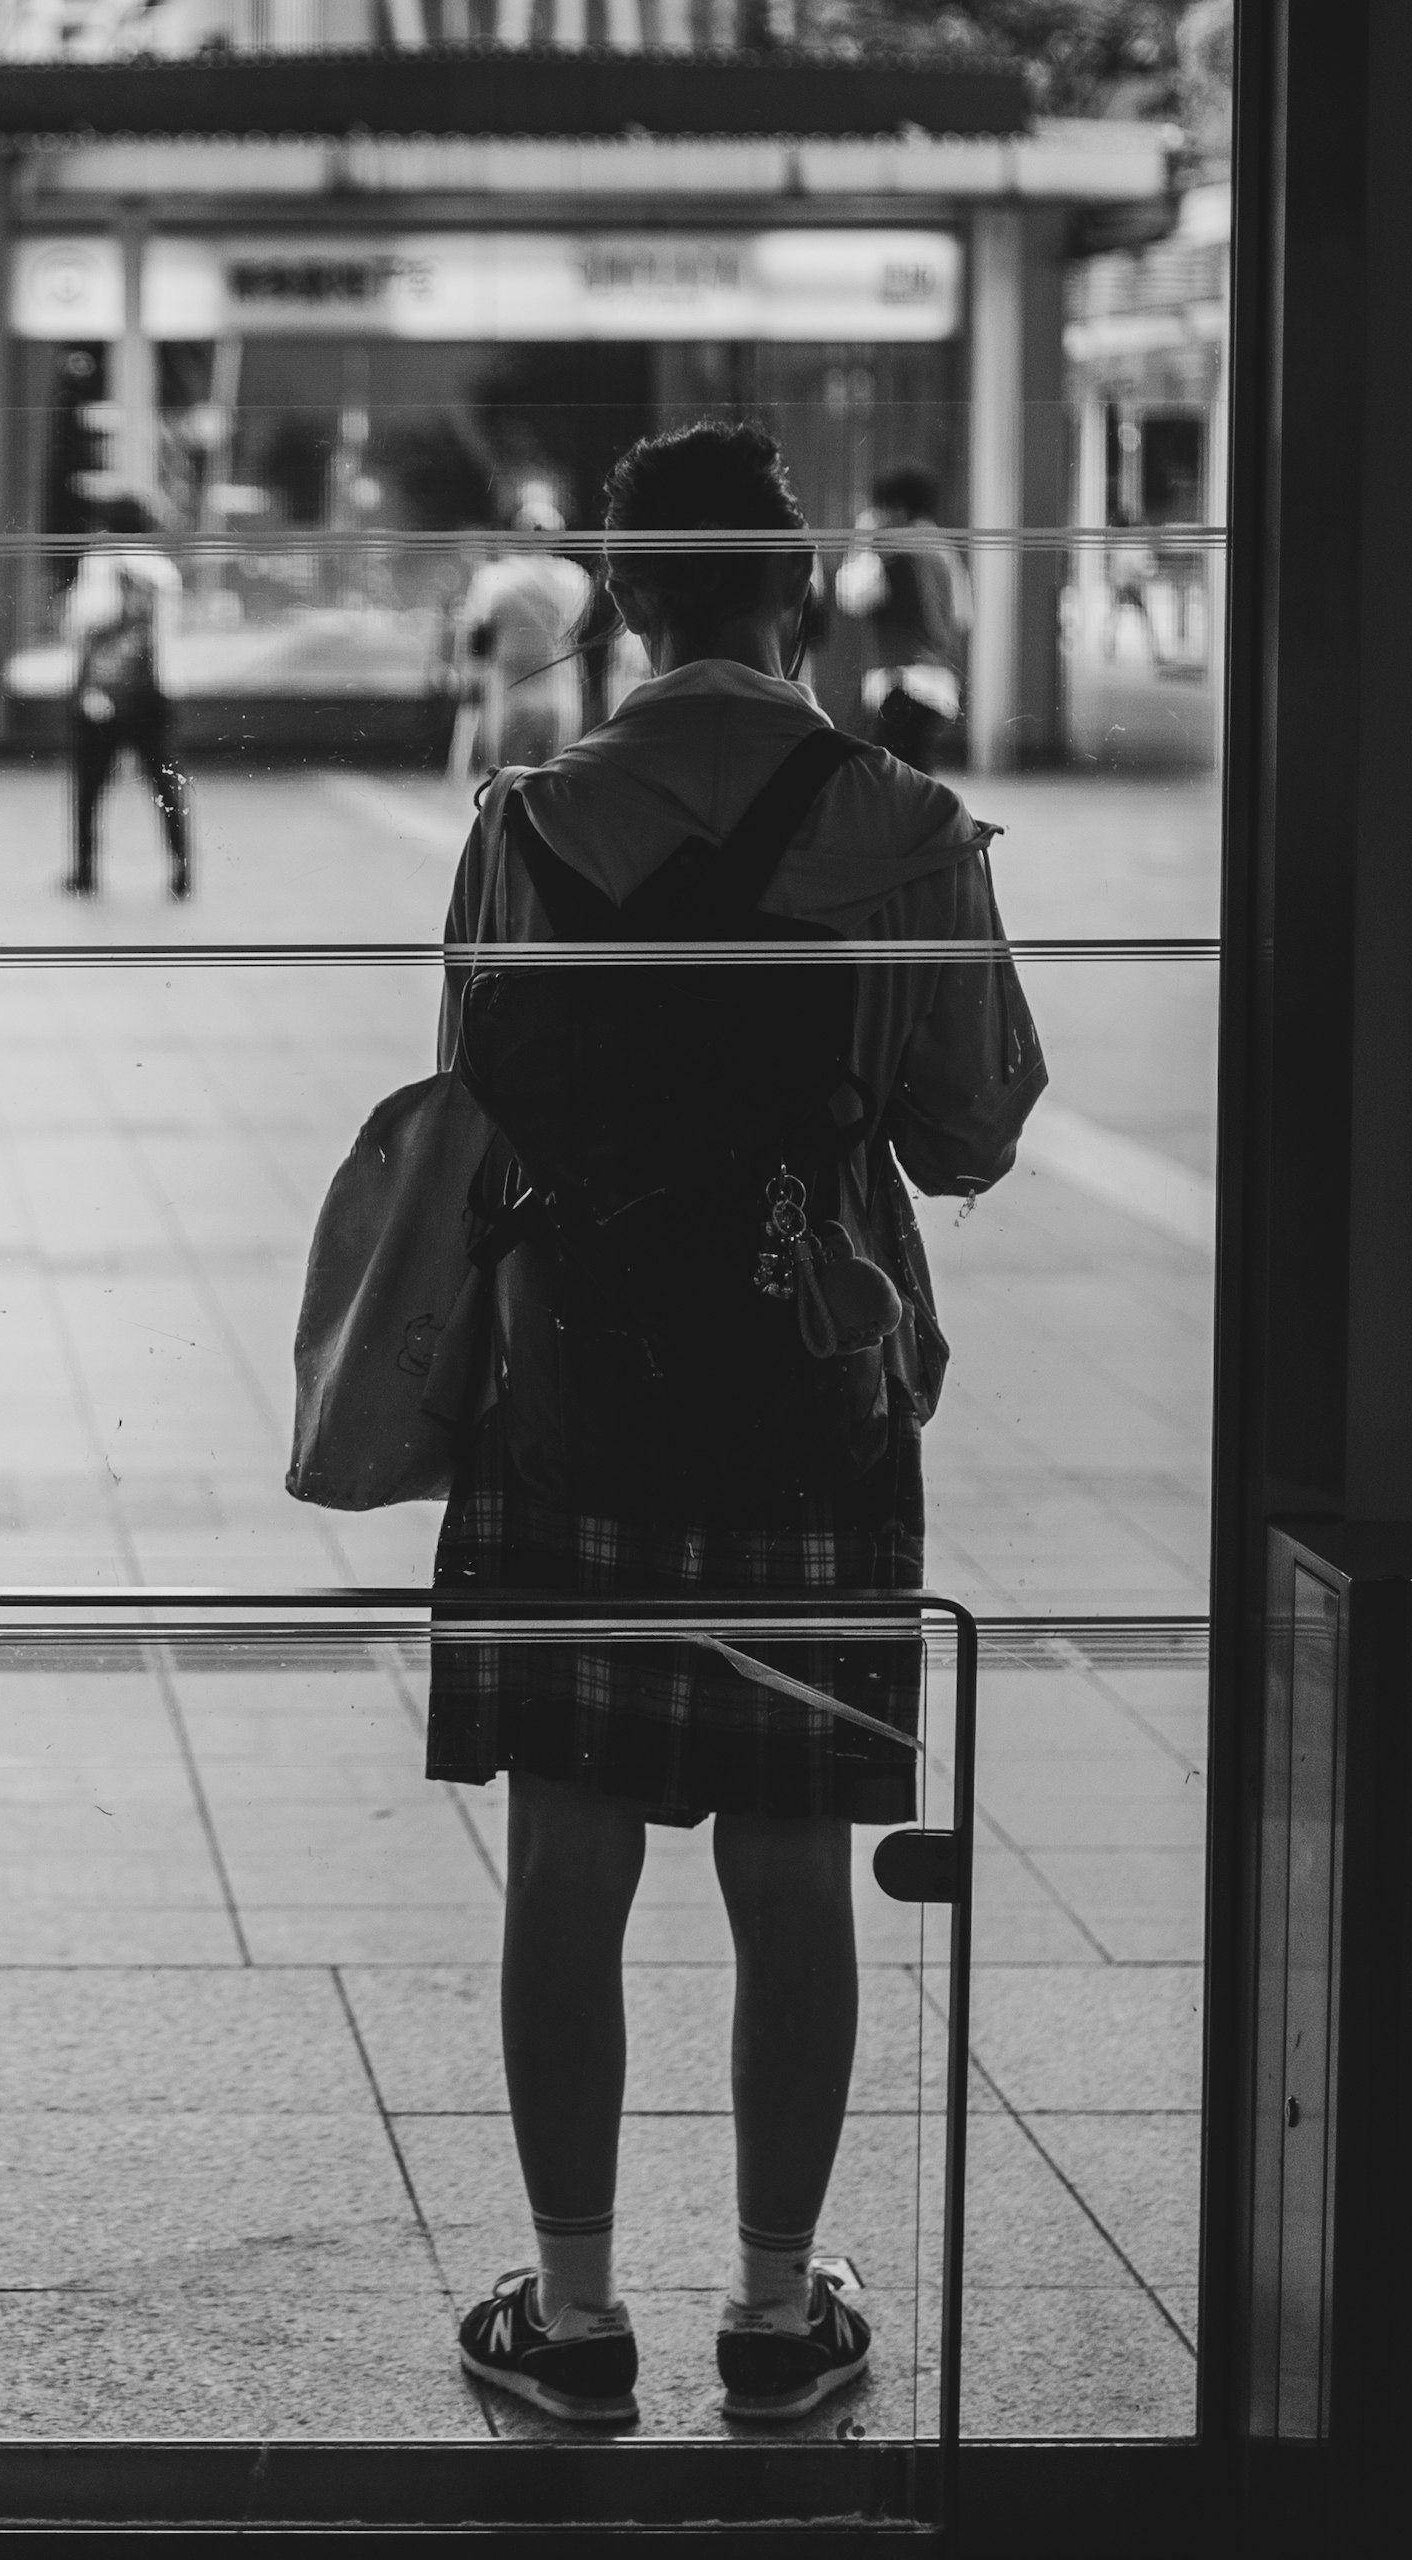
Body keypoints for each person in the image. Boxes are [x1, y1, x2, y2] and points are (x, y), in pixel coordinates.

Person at [427, 420, 1044, 2430]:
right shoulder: (904, 821)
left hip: (576, 1393)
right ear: (793, 591)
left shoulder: (526, 820)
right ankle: (779, 2316)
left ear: (628, 594)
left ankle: (577, 2312)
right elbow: (973, 1123)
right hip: (813, 1391)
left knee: (564, 1868)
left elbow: (475, 1091)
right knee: (791, 1870)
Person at [60, 530, 191, 898]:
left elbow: (79, 628)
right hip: (153, 696)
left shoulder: (99, 565)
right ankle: (182, 870)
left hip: (101, 700)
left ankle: (85, 872)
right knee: (167, 785)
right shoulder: (160, 570)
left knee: (89, 790)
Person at [836, 459, 969, 768]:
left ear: (896, 507)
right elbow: (962, 616)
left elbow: (851, 596)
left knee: (891, 774)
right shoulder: (944, 552)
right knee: (913, 770)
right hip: (939, 679)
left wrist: (863, 540)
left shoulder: (895, 554)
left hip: (902, 681)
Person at [456, 494, 594, 771]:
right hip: (559, 692)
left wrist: (469, 683)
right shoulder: (576, 577)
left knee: (509, 783)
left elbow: (477, 638)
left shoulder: (494, 578)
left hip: (511, 690)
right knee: (551, 784)